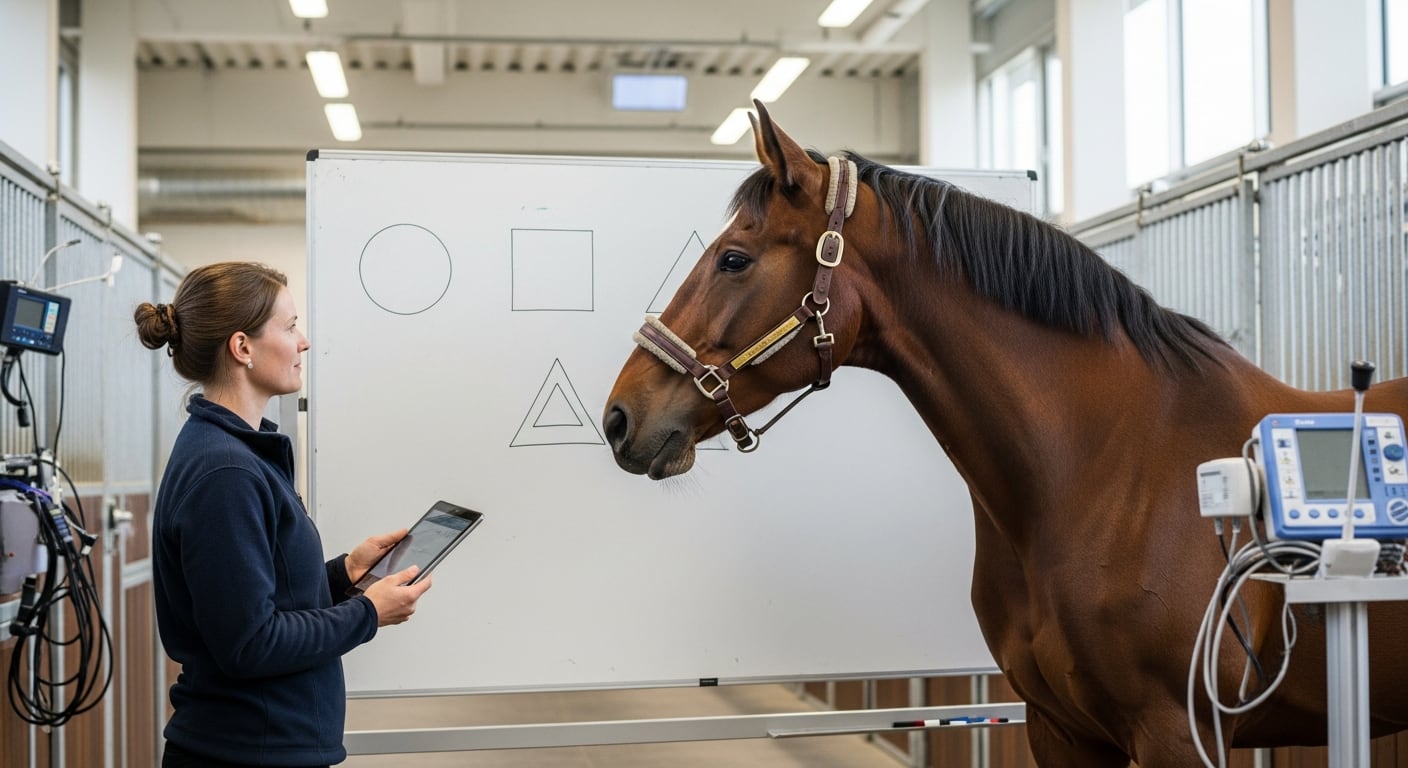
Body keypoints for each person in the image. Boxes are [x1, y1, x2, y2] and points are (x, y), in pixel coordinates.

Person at [134, 262, 431, 767]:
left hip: (260, 747)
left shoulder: (233, 453)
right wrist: (366, 612)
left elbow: (255, 599)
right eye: (290, 327)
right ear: (243, 348)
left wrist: (344, 574)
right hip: (245, 752)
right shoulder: (225, 473)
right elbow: (250, 643)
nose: (304, 342)